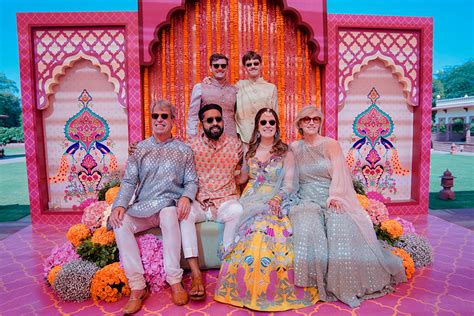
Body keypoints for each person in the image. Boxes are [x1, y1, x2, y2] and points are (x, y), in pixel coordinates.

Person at [289, 105, 406, 308]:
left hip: (332, 195)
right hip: (306, 198)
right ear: (299, 123)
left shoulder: (330, 144)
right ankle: (312, 283)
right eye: (306, 119)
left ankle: (343, 286)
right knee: (306, 220)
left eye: (316, 119)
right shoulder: (294, 148)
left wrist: (335, 196)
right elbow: (290, 178)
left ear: (320, 123)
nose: (311, 122)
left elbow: (340, 174)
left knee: (338, 221)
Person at [214, 108, 318, 311]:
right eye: (264, 122)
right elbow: (243, 178)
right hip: (250, 200)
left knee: (266, 230)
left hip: (275, 200)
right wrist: (220, 173)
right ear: (258, 127)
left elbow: (289, 184)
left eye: (272, 122)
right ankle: (244, 289)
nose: (268, 125)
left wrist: (277, 199)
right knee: (249, 230)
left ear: (277, 127)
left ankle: (271, 290)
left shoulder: (286, 152)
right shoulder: (250, 151)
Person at [109, 100, 198, 313]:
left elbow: (192, 181)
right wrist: (119, 205)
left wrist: (186, 197)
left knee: (169, 213)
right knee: (119, 222)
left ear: (173, 120)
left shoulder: (183, 150)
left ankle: (175, 280)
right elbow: (130, 181)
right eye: (155, 116)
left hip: (168, 204)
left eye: (164, 116)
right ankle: (137, 286)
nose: (159, 120)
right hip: (143, 205)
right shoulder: (140, 149)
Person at [180, 103, 244, 300]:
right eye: (209, 120)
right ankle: (196, 274)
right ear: (202, 124)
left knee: (238, 211)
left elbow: (246, 169)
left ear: (223, 121)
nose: (215, 123)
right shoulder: (190, 146)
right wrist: (136, 148)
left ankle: (227, 268)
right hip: (201, 202)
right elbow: (169, 152)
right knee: (184, 213)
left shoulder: (236, 145)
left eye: (218, 119)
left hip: (225, 200)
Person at [187, 53, 238, 138]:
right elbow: (193, 116)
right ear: (210, 68)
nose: (220, 68)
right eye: (216, 66)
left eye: (223, 66)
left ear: (227, 68)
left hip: (231, 141)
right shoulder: (200, 88)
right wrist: (192, 139)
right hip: (207, 140)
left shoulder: (234, 90)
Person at [234, 51, 278, 143]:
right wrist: (209, 80)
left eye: (256, 63)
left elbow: (275, 116)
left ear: (261, 65)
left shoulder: (271, 88)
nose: (253, 66)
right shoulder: (238, 86)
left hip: (265, 138)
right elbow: (222, 90)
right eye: (249, 64)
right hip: (244, 138)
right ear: (245, 67)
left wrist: (276, 140)